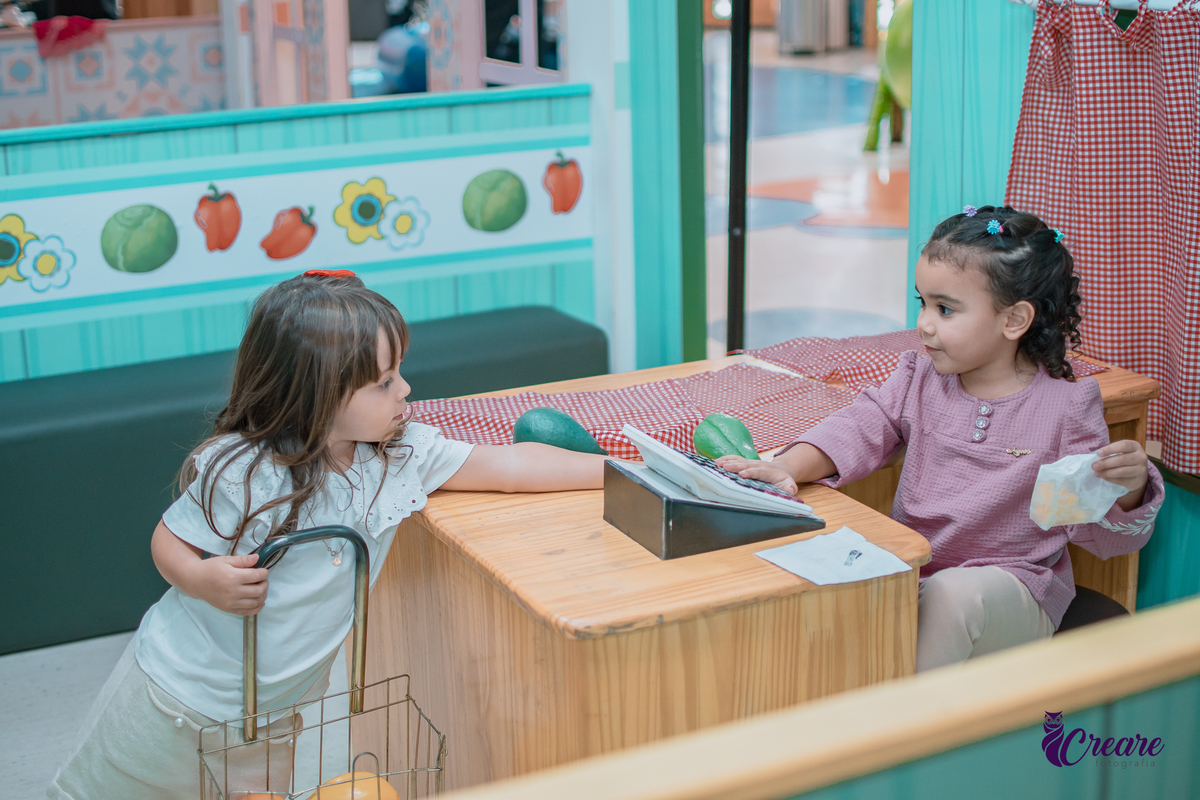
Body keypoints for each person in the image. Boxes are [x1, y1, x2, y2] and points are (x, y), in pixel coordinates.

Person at [49, 270, 609, 799]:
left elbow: (510, 466)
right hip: (174, 699)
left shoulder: (397, 454)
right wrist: (201, 578)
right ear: (316, 393)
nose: (405, 389)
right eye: (384, 382)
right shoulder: (247, 470)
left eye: (399, 372)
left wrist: (623, 473)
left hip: (271, 717)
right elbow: (168, 540)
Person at [717, 206, 1165, 672]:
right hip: (912, 578)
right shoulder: (918, 379)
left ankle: (912, 719)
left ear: (1014, 320)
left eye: (945, 309)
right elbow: (859, 425)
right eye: (923, 303)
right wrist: (787, 467)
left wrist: (1127, 487)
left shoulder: (1067, 408)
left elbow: (1100, 535)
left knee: (952, 596)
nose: (924, 324)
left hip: (1014, 593)